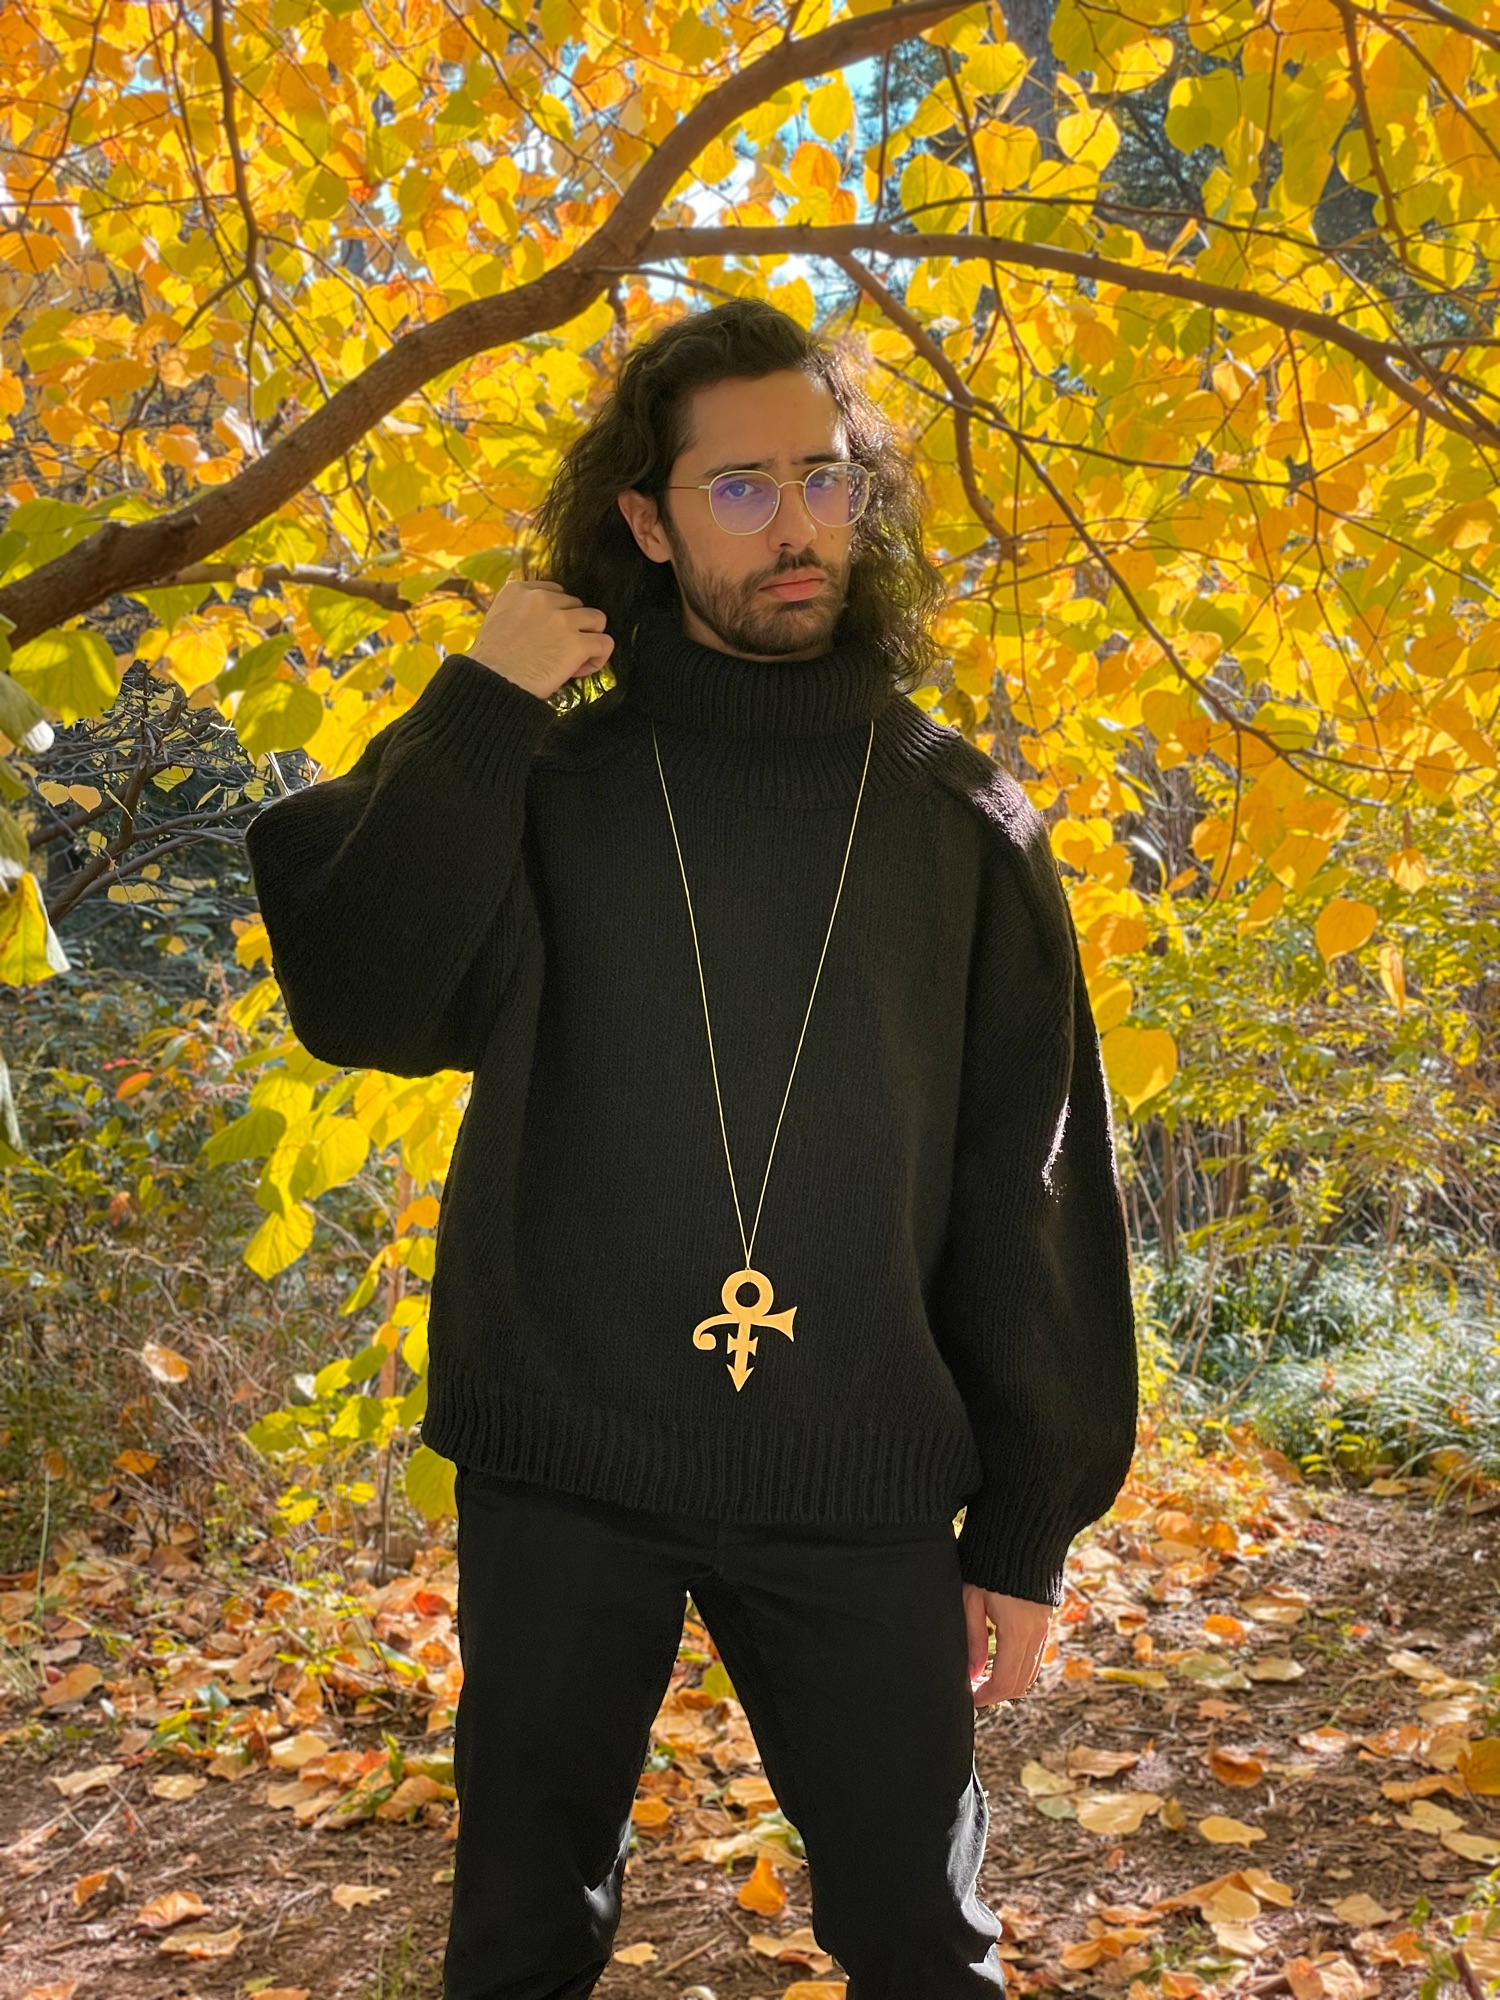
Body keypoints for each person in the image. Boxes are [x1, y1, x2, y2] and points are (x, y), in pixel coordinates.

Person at [245, 298, 1138, 2000]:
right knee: (521, 1943)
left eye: (822, 477)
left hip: (858, 1469)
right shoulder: (545, 782)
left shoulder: (961, 822)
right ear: (646, 523)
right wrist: (481, 701)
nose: (795, 525)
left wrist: (1028, 1522)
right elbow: (361, 997)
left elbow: (1027, 1184)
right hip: (564, 1459)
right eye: (739, 487)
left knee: (923, 1943)